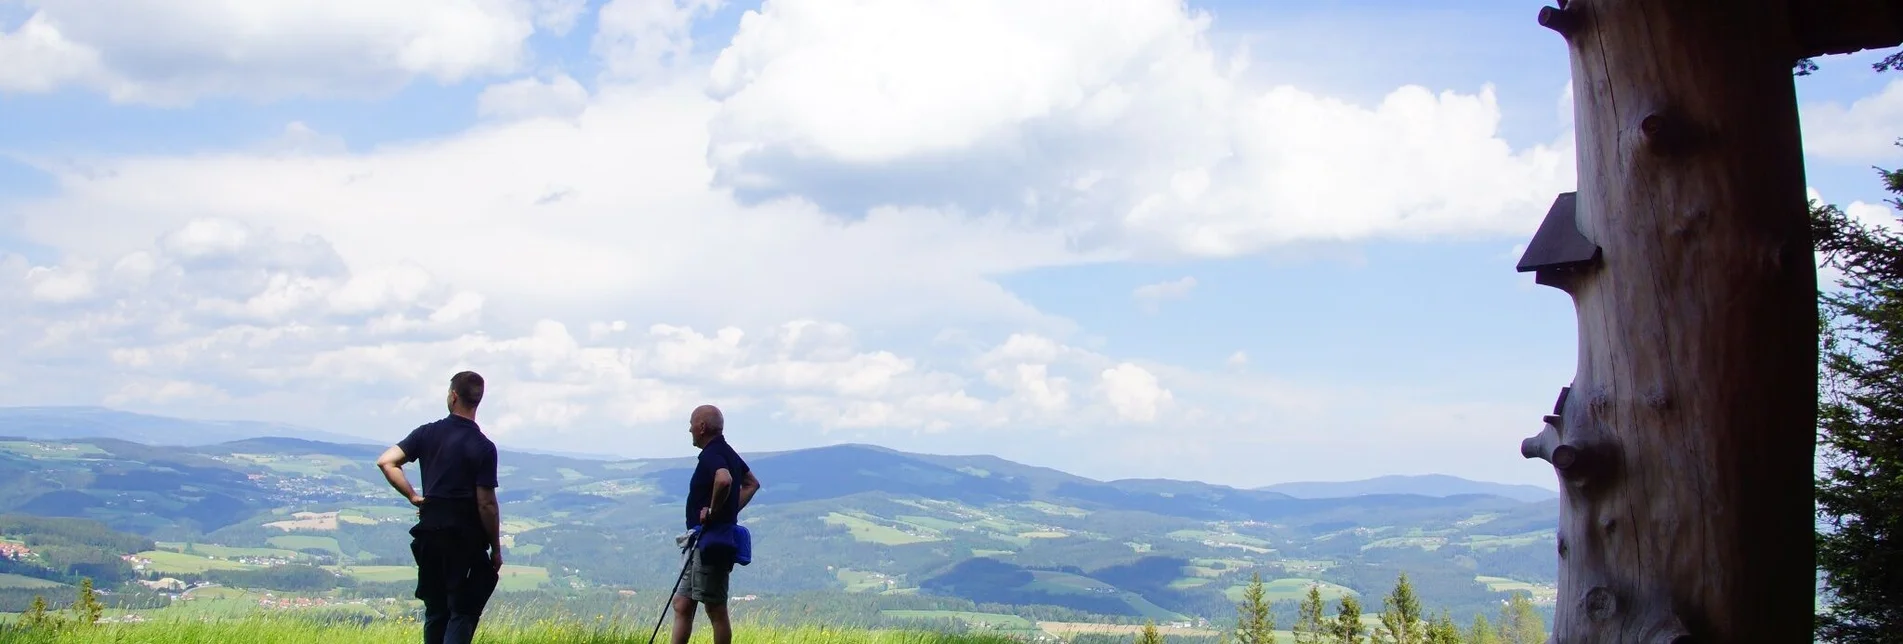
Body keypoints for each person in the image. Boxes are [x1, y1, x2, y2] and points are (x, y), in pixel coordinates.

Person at [375, 371, 502, 644]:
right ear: (477, 401)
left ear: (453, 396)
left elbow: (387, 461)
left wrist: (413, 496)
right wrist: (496, 548)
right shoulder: (484, 447)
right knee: (463, 611)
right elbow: (487, 504)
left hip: (430, 535)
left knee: (436, 611)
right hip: (465, 541)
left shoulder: (427, 433)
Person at [672, 404, 761, 644]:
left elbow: (724, 479)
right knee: (682, 603)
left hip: (711, 542)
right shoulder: (727, 452)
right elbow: (752, 483)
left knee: (715, 609)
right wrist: (726, 510)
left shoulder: (713, 455)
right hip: (702, 541)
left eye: (691, 423)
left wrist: (713, 512)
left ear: (701, 427)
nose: (689, 429)